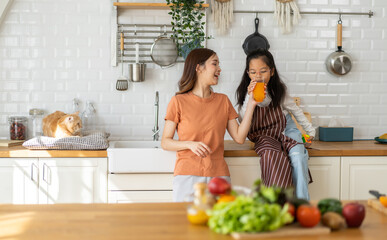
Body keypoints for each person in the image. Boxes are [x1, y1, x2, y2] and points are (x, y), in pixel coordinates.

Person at [161, 48, 259, 202]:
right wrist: (189, 145)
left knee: (220, 223)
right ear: (199, 67)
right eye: (215, 64)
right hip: (187, 175)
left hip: (218, 175)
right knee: (186, 223)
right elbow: (165, 142)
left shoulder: (223, 101)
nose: (219, 69)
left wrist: (252, 104)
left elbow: (240, 138)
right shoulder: (178, 102)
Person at [236, 49, 315, 200]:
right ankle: (280, 200)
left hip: (286, 129)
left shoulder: (279, 91)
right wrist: (249, 96)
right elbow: (242, 120)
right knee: (273, 155)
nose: (258, 76)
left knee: (298, 156)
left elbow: (297, 112)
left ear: (272, 71)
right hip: (263, 134)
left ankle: (302, 201)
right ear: (248, 73)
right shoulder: (246, 93)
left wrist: (311, 132)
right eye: (253, 72)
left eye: (263, 71)